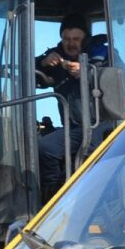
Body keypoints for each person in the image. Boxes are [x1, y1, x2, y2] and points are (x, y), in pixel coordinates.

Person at [37, 16, 90, 193]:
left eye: (76, 39)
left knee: (46, 148)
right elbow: (28, 71)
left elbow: (120, 76)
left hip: (98, 124)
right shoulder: (57, 56)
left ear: (85, 39)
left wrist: (86, 73)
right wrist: (43, 62)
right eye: (66, 39)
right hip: (72, 126)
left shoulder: (101, 53)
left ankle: (52, 197)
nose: (71, 43)